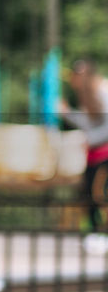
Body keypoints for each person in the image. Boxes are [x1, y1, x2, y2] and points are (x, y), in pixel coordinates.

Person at [60, 59, 108, 253]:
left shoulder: (102, 91)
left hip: (104, 153)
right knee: (89, 194)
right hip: (94, 154)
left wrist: (91, 138)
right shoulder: (87, 96)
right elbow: (89, 123)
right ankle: (96, 232)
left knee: (98, 193)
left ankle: (101, 233)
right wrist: (67, 113)